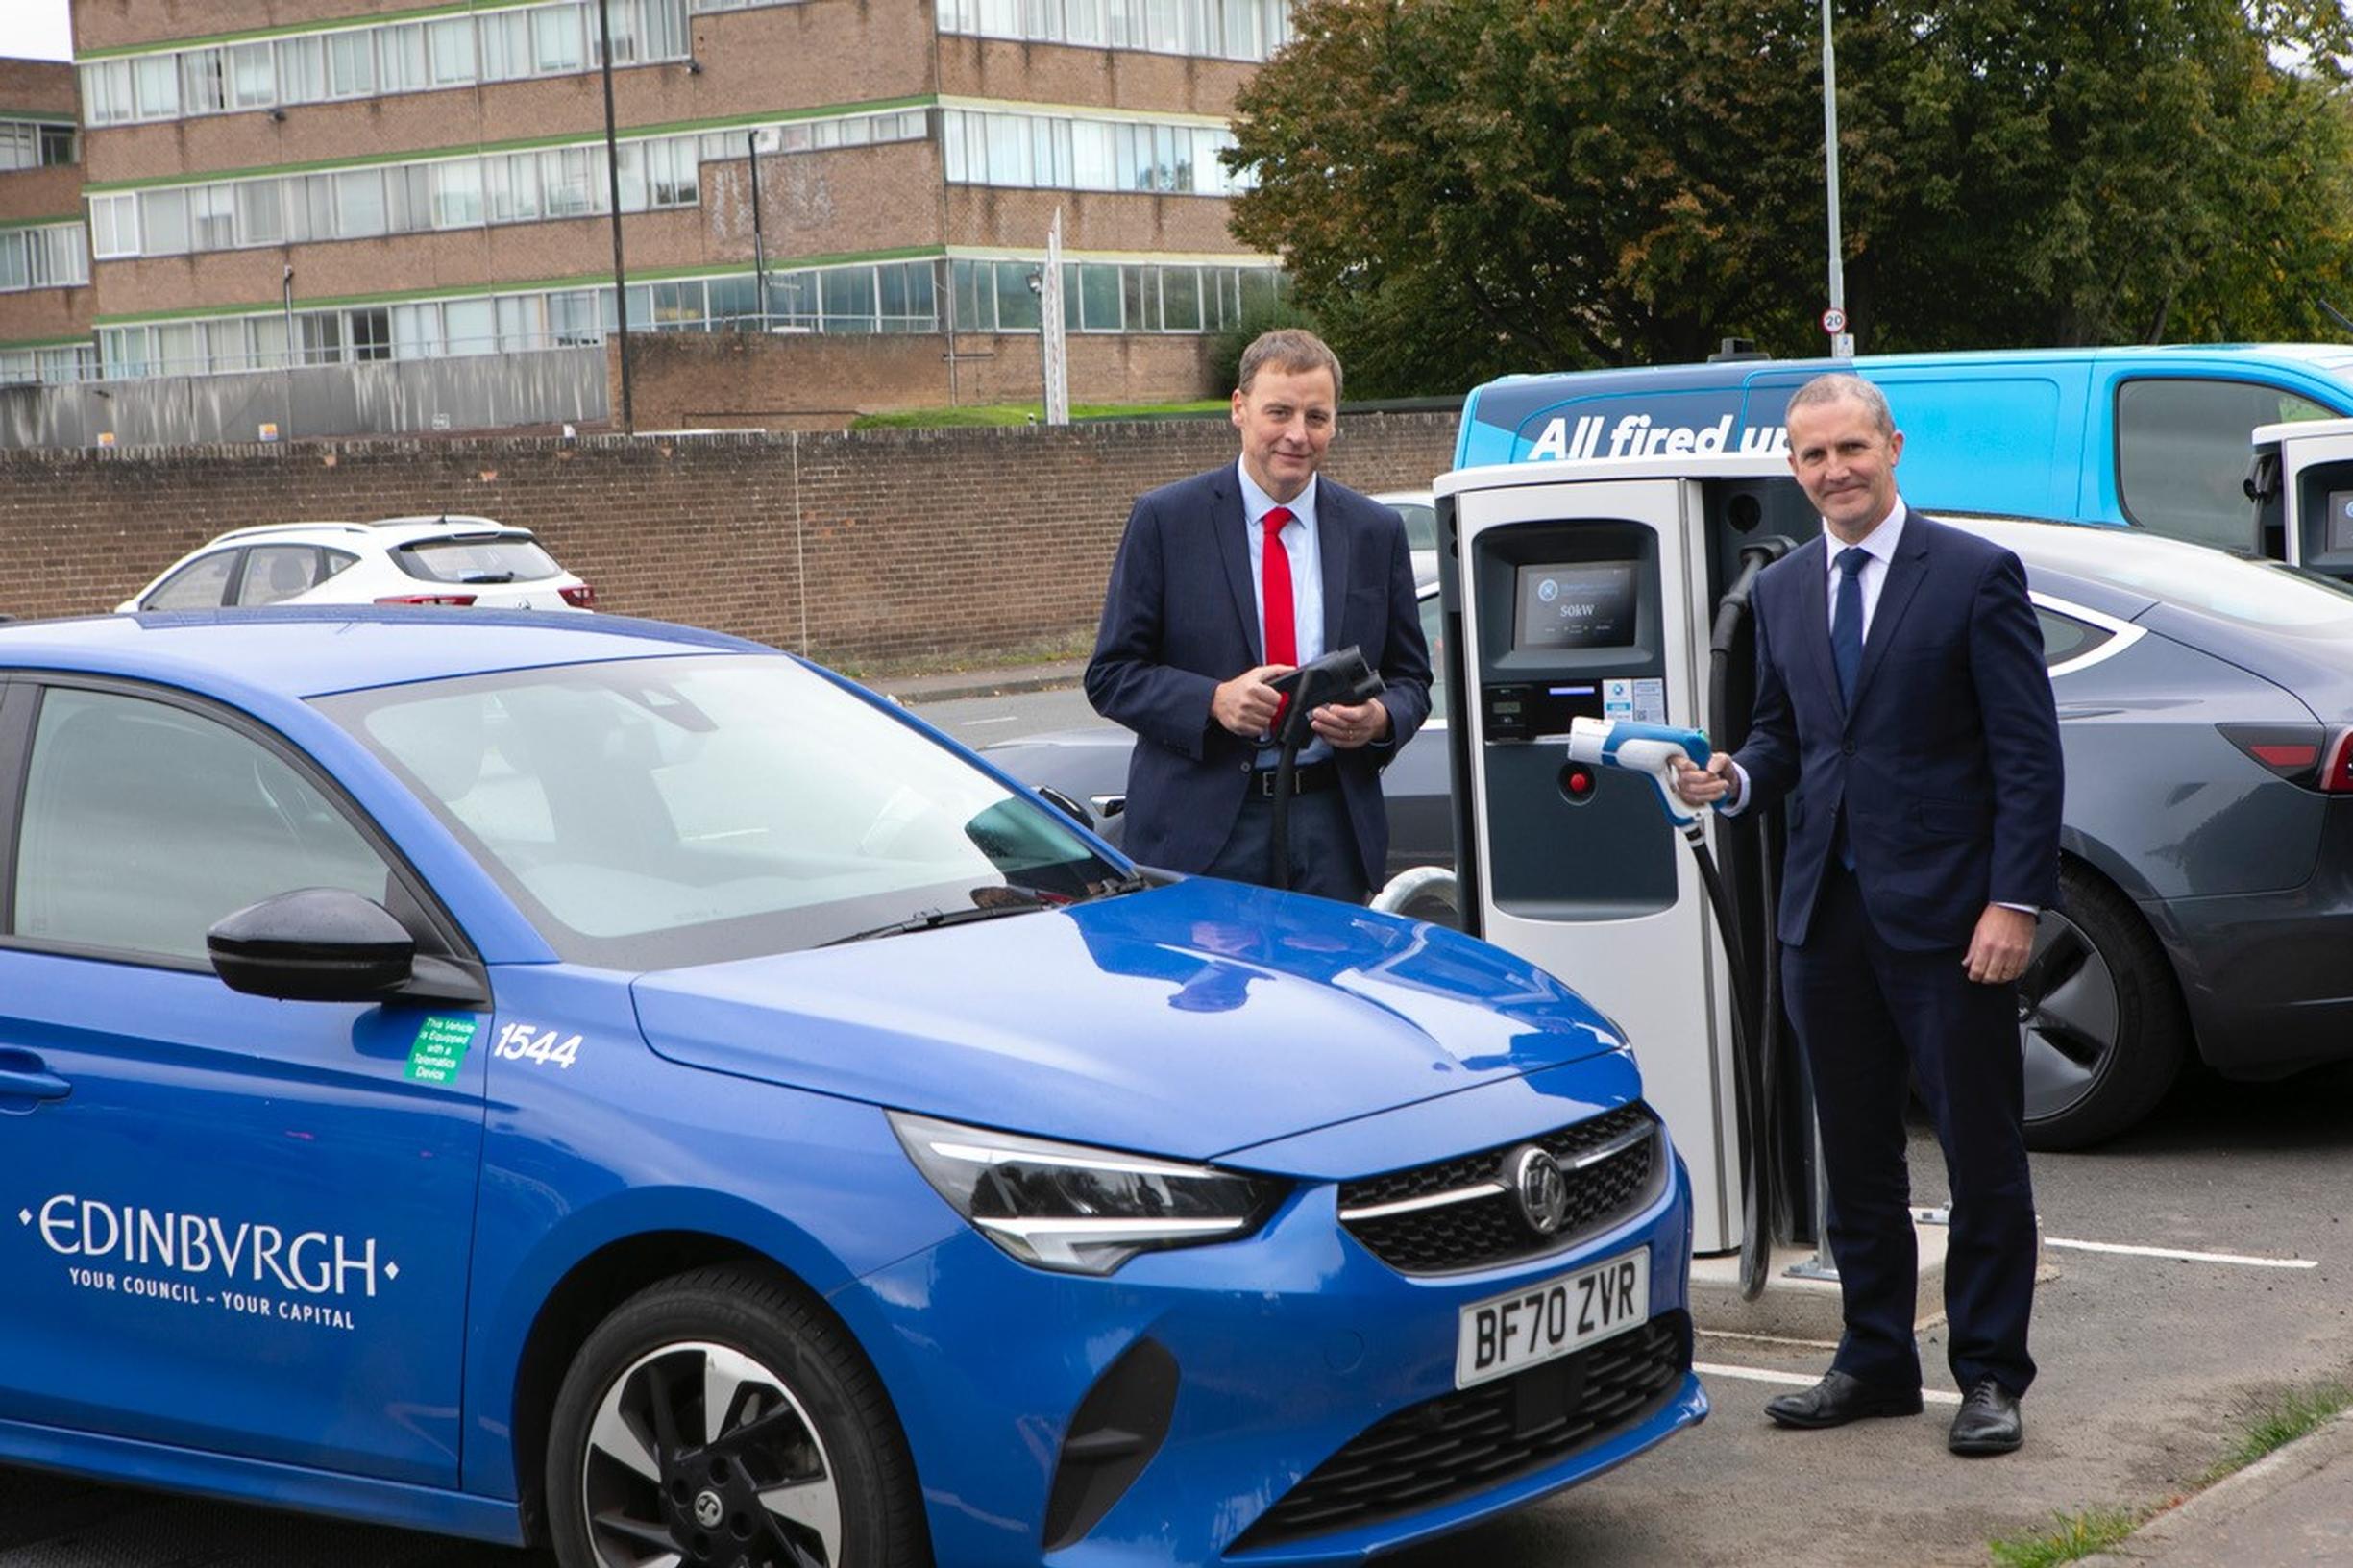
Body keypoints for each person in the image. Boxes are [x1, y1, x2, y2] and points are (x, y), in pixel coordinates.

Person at [1672, 373, 2062, 1457]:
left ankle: (1988, 1373)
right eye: (1812, 457)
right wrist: (1733, 781)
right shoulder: (1787, 589)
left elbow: (2026, 759)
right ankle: (1874, 1358)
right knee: (1855, 1155)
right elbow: (1783, 738)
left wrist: (2013, 901)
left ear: (1893, 447)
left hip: (1951, 920)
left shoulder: (1975, 576)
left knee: (1980, 1153)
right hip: (1822, 921)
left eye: (1853, 449)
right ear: (1792, 470)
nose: (1835, 471)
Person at [1085, 330, 1432, 903]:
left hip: (1333, 829)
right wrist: (1214, 701)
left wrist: (1380, 718)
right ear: (1239, 409)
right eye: (1280, 412)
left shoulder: (1375, 531)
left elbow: (1412, 680)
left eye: (1316, 417)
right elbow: (1111, 674)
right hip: (1204, 832)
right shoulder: (1166, 521)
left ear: (1335, 423)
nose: (1298, 434)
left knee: (1327, 994)